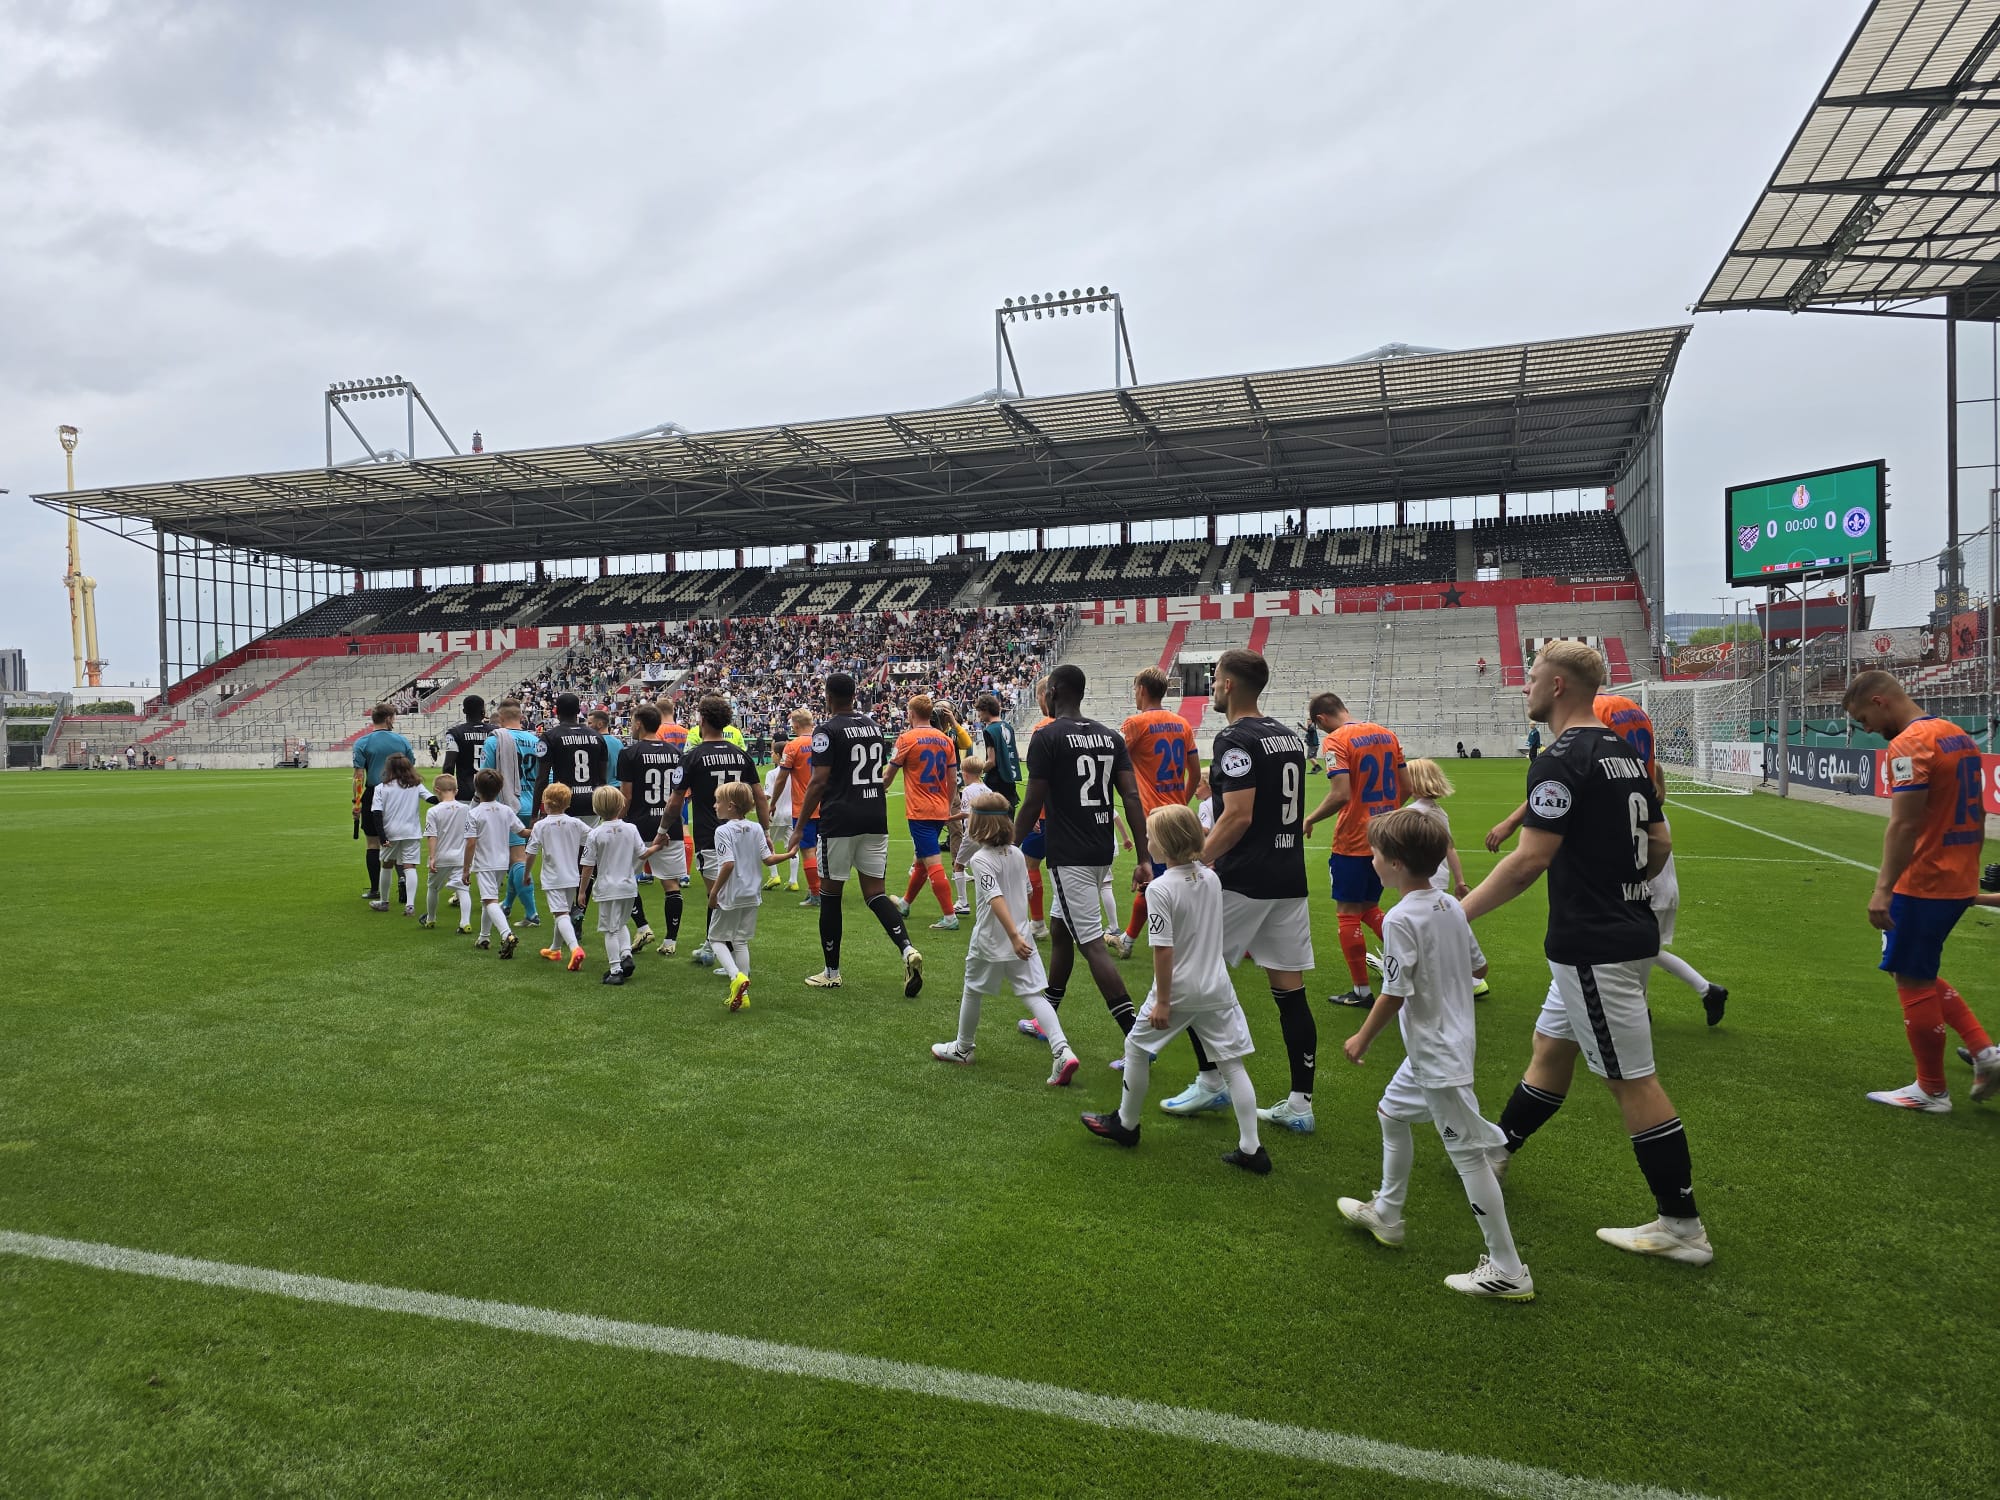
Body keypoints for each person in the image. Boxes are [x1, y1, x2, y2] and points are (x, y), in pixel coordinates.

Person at [1460, 641, 1711, 1266]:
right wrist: (1626, 884)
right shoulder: (1626, 754)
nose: (1527, 689)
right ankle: (1498, 1151)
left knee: (1632, 1081)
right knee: (1551, 1050)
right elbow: (1659, 839)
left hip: (1594, 943)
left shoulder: (1560, 757)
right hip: (1620, 929)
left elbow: (1527, 863)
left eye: (1534, 679)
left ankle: (1681, 1224)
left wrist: (1452, 919)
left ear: (1561, 686)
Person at [1337, 808, 1529, 1300]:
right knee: (1391, 1113)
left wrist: (1362, 1037)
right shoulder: (1447, 906)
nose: (1372, 860)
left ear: (1395, 864)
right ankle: (1387, 1212)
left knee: (1469, 1157)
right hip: (1442, 1044)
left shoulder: (1401, 917)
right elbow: (1479, 963)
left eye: (1376, 854)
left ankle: (1508, 1268)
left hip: (1437, 1052)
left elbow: (1395, 991)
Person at [1486, 692, 1727, 1025]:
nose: (1527, 690)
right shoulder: (1632, 733)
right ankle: (1697, 993)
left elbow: (1534, 850)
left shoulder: (1595, 728)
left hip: (1622, 844)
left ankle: (1641, 1013)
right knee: (1633, 945)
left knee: (1621, 948)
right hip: (1640, 836)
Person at [1158, 649, 1318, 1132]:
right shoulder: (1287, 736)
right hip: (1288, 877)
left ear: (1228, 684)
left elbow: (1240, 816)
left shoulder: (1235, 737)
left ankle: (1211, 1082)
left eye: (1215, 678)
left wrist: (1195, 859)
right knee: (1290, 992)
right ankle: (1300, 1102)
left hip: (1244, 877)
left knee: (1190, 972)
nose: (1212, 686)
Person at [1081, 803, 1269, 1174]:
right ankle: (1252, 1147)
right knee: (1232, 1064)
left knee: (1136, 1047)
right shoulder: (1210, 877)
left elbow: (1164, 949)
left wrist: (1163, 1002)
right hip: (1216, 986)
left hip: (1180, 988)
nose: (1146, 839)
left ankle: (1127, 1123)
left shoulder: (1161, 889)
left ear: (1164, 845)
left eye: (1150, 835)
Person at [1843, 670, 2000, 1110]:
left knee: (1912, 978)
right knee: (1915, 968)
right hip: (1955, 873)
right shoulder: (1957, 735)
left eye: (1863, 718)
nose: (1867, 730)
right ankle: (1985, 1053)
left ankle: (1931, 1089)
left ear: (1880, 701)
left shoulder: (1909, 744)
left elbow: (1905, 823)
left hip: (1926, 878)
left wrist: (1883, 888)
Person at [1015, 664, 1152, 1056]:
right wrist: (1143, 856)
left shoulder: (1046, 736)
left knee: (1090, 943)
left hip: (1070, 854)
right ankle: (1047, 1015)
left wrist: (1010, 844)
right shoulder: (1110, 736)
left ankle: (1136, 1039)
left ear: (1053, 692)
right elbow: (1129, 797)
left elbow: (1033, 802)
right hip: (1100, 846)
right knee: (1061, 930)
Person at [786, 673, 924, 995]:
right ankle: (907, 949)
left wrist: (800, 825)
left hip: (840, 818)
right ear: (855, 694)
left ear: (828, 695)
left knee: (831, 894)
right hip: (874, 814)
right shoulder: (874, 727)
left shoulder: (827, 730)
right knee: (875, 892)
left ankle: (831, 971)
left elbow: (819, 781)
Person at [929, 790, 1078, 1084]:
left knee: (972, 989)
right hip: (1022, 939)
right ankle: (1062, 1051)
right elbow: (1027, 891)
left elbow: (995, 897)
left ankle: (963, 1048)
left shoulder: (981, 860)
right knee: (1034, 996)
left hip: (994, 939)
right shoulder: (1018, 854)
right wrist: (1019, 934)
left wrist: (1011, 934)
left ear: (978, 825)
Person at [1303, 692, 1406, 1008]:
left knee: (1348, 913)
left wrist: (1310, 819)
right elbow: (1408, 786)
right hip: (1385, 838)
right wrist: (1385, 815)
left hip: (1353, 841)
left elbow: (1341, 794)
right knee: (1368, 908)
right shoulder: (1387, 734)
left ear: (1321, 720)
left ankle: (1361, 992)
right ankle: (1415, 963)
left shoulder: (1336, 740)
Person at [661, 695, 765, 974]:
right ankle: (716, 945)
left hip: (711, 835)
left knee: (717, 894)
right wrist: (765, 830)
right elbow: (759, 796)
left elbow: (675, 801)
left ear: (702, 720)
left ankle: (720, 949)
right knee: (727, 892)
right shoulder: (740, 754)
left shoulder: (692, 757)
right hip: (742, 833)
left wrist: (662, 830)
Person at [1114, 667, 1200, 960]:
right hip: (1178, 815)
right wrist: (1181, 804)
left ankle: (1165, 944)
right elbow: (1196, 772)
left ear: (1142, 690)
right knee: (1169, 878)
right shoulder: (1182, 724)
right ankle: (1128, 938)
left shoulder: (1136, 723)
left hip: (1153, 818)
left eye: (1135, 688)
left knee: (1156, 884)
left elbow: (1113, 758)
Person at [705, 780, 786, 1012]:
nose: (714, 806)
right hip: (752, 894)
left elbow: (728, 864)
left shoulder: (722, 831)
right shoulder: (756, 828)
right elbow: (768, 859)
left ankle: (735, 977)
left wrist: (714, 892)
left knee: (716, 939)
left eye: (718, 801)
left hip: (731, 894)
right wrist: (789, 854)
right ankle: (744, 993)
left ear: (730, 806)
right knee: (740, 940)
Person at [885, 694, 962, 930]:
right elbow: (951, 779)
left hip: (920, 810)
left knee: (932, 861)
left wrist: (872, 792)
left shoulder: (907, 738)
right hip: (940, 807)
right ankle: (906, 903)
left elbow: (888, 777)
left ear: (911, 714)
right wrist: (947, 807)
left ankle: (950, 916)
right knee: (921, 858)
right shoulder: (945, 740)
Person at [620, 701, 688, 957]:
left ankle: (643, 927)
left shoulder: (630, 753)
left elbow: (626, 796)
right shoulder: (676, 753)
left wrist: (616, 820)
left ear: (638, 723)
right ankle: (671, 941)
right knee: (671, 884)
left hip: (638, 824)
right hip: (670, 824)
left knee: (625, 878)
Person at [479, 699, 543, 929]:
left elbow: (486, 775)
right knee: (517, 857)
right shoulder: (537, 741)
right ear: (521, 718)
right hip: (533, 805)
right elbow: (549, 774)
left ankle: (532, 914)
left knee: (517, 859)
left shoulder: (495, 740)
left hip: (508, 805)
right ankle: (507, 904)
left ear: (501, 719)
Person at [580, 786, 647, 986]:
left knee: (609, 929)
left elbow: (588, 865)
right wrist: (658, 845)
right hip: (628, 887)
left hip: (607, 888)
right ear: (621, 805)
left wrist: (582, 890)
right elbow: (642, 853)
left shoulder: (595, 834)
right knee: (621, 924)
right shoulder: (631, 828)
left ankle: (615, 969)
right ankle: (626, 954)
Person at [351, 703, 414, 905]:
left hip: (373, 793)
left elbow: (359, 776)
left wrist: (357, 802)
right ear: (388, 718)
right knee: (396, 840)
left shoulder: (363, 742)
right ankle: (402, 879)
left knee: (372, 843)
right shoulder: (401, 741)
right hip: (399, 793)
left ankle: (375, 889)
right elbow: (410, 767)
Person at [527, 782, 591, 971]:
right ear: (568, 804)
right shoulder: (575, 823)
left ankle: (575, 948)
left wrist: (526, 873)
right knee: (563, 912)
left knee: (561, 914)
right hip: (572, 876)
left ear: (545, 804)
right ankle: (555, 949)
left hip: (553, 877)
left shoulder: (541, 826)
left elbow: (531, 852)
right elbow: (592, 838)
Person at [462, 768, 524, 959]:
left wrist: (466, 869)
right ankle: (484, 937)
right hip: (502, 862)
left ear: (477, 788)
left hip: (485, 863)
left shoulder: (474, 813)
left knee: (490, 901)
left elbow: (471, 843)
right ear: (500, 788)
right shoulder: (506, 810)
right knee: (488, 900)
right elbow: (522, 832)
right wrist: (542, 830)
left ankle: (507, 934)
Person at [368, 753, 436, 914]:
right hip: (411, 832)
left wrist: (382, 837)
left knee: (387, 864)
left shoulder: (381, 788)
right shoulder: (416, 785)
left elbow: (376, 814)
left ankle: (384, 902)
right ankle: (410, 905)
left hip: (390, 832)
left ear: (389, 768)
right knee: (409, 866)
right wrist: (449, 796)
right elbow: (431, 799)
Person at [537, 692, 609, 826]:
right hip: (592, 801)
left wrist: (535, 811)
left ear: (556, 711)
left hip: (563, 801)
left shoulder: (550, 736)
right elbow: (603, 778)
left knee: (563, 846)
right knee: (587, 846)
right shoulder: (598, 737)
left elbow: (542, 778)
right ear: (578, 711)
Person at [419, 773, 473, 933]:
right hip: (461, 857)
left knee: (433, 888)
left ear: (436, 790)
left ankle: (431, 918)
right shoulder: (466, 809)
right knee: (463, 889)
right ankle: (465, 922)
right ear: (456, 790)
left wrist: (432, 857)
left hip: (442, 856)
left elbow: (432, 835)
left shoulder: (433, 811)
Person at [779, 709, 821, 905]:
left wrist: (772, 803)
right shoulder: (824, 742)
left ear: (795, 725)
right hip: (827, 804)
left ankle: (815, 893)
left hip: (804, 806)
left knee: (808, 849)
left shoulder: (792, 746)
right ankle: (826, 890)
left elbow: (781, 779)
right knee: (826, 849)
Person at [976, 692, 1021, 810]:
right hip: (1010, 780)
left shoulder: (989, 730)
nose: (979, 715)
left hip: (996, 781)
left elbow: (991, 761)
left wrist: (978, 772)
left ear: (985, 710)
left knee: (994, 820)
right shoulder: (1008, 727)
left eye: (979, 711)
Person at [439, 695, 494, 783]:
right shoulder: (496, 732)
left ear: (464, 711)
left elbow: (449, 766)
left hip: (465, 790)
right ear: (483, 711)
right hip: (491, 790)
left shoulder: (455, 733)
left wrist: (448, 789)